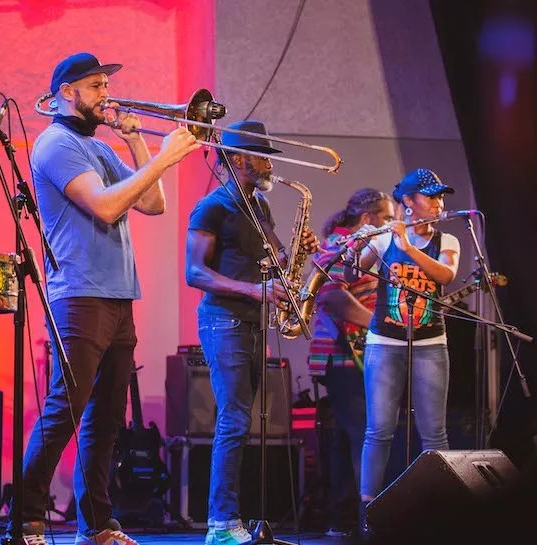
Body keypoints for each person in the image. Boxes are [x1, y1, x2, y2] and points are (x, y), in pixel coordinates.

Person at [9, 52, 199, 545]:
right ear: (67, 92)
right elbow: (108, 205)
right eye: (95, 86)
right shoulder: (57, 144)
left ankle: (96, 524)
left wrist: (137, 141)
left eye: (105, 86)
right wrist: (163, 156)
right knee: (64, 411)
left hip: (117, 294)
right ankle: (26, 519)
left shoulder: (100, 148)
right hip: (80, 295)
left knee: (106, 420)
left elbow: (153, 204)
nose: (106, 95)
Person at [185, 120, 318, 545]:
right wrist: (253, 290)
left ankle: (234, 521)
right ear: (238, 159)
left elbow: (273, 257)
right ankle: (221, 525)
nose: (268, 165)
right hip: (223, 319)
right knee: (234, 421)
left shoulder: (258, 206)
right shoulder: (212, 206)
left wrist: (298, 252)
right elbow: (194, 272)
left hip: (253, 321)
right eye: (262, 157)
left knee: (244, 422)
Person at [346, 169, 460, 538]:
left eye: (441, 197)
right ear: (408, 202)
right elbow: (353, 273)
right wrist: (358, 245)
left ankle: (436, 511)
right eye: (431, 197)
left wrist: (408, 248)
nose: (439, 204)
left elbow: (445, 276)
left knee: (434, 433)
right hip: (385, 342)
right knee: (378, 430)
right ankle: (369, 512)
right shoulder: (384, 239)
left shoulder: (449, 240)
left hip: (430, 343)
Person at [305, 188, 395, 536]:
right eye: (386, 218)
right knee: (363, 435)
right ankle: (368, 521)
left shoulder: (365, 247)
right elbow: (330, 296)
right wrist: (378, 324)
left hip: (353, 355)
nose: (391, 224)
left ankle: (341, 520)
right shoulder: (339, 245)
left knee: (347, 439)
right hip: (344, 356)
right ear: (368, 218)